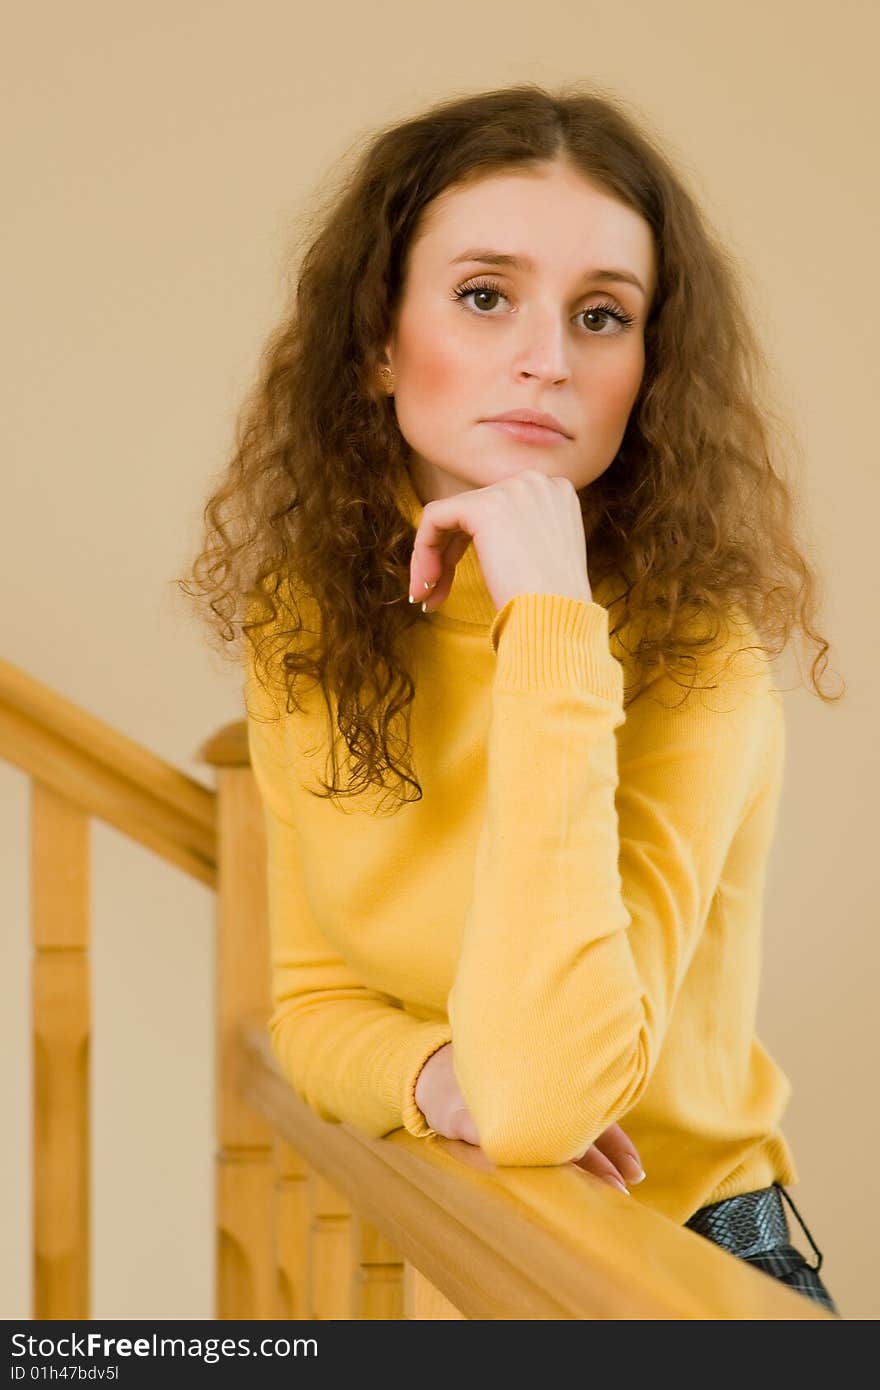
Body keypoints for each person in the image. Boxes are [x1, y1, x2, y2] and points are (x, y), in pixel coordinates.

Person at [180, 82, 844, 1317]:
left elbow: (546, 1097)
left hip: (689, 1273)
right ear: (380, 339)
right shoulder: (308, 625)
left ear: (648, 367)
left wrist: (549, 614)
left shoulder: (701, 657)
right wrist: (431, 1071)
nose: (548, 358)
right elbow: (314, 1002)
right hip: (481, 1250)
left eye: (603, 315)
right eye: (486, 296)